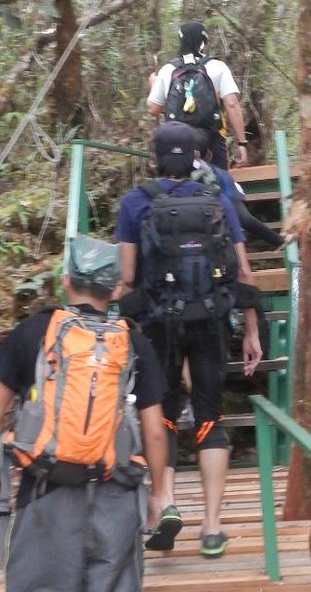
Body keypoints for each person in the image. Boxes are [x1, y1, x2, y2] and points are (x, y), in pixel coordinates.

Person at [0, 236, 172, 592]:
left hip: (46, 492)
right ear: (114, 290)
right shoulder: (133, 343)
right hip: (116, 496)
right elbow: (155, 432)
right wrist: (158, 494)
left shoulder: (33, 331)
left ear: (65, 280)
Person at [114, 122, 263, 559]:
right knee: (210, 416)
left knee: (159, 414)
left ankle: (165, 505)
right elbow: (243, 272)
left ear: (155, 158)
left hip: (158, 324)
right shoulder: (217, 198)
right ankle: (213, 528)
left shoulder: (136, 201)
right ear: (197, 156)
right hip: (211, 319)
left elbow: (125, 277)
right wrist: (251, 329)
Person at [147, 20, 250, 169]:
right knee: (218, 185)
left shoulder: (168, 70)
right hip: (212, 140)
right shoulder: (217, 67)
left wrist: (154, 85)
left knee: (177, 185)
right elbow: (232, 104)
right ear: (203, 42)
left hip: (176, 140)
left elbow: (153, 109)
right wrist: (242, 143)